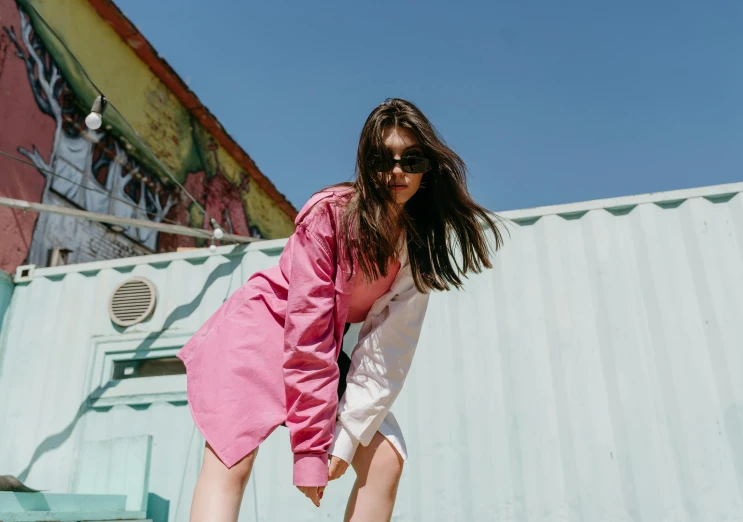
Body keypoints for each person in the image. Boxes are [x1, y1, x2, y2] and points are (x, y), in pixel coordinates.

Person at [176, 98, 504, 521]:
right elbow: (306, 329)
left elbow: (385, 354)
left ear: (428, 167)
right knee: (230, 461)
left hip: (322, 349)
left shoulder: (416, 246)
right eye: (382, 159)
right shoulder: (330, 215)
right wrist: (311, 449)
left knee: (385, 458)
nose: (398, 171)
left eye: (412, 158)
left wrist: (344, 441)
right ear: (366, 165)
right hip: (258, 333)